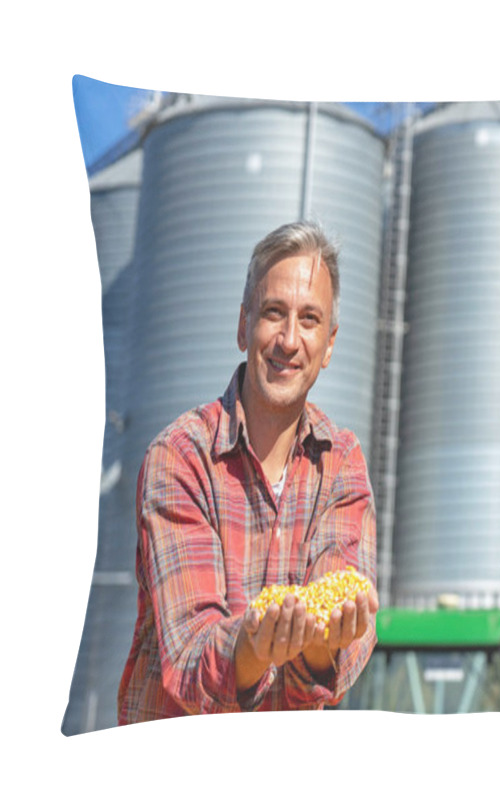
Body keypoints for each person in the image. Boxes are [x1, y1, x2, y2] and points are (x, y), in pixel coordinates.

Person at [118, 221, 378, 723]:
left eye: (309, 320)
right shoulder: (181, 457)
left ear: (329, 345)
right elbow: (189, 658)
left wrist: (324, 644)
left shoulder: (341, 463)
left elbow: (333, 655)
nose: (288, 340)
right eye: (273, 313)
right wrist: (254, 644)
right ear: (243, 326)